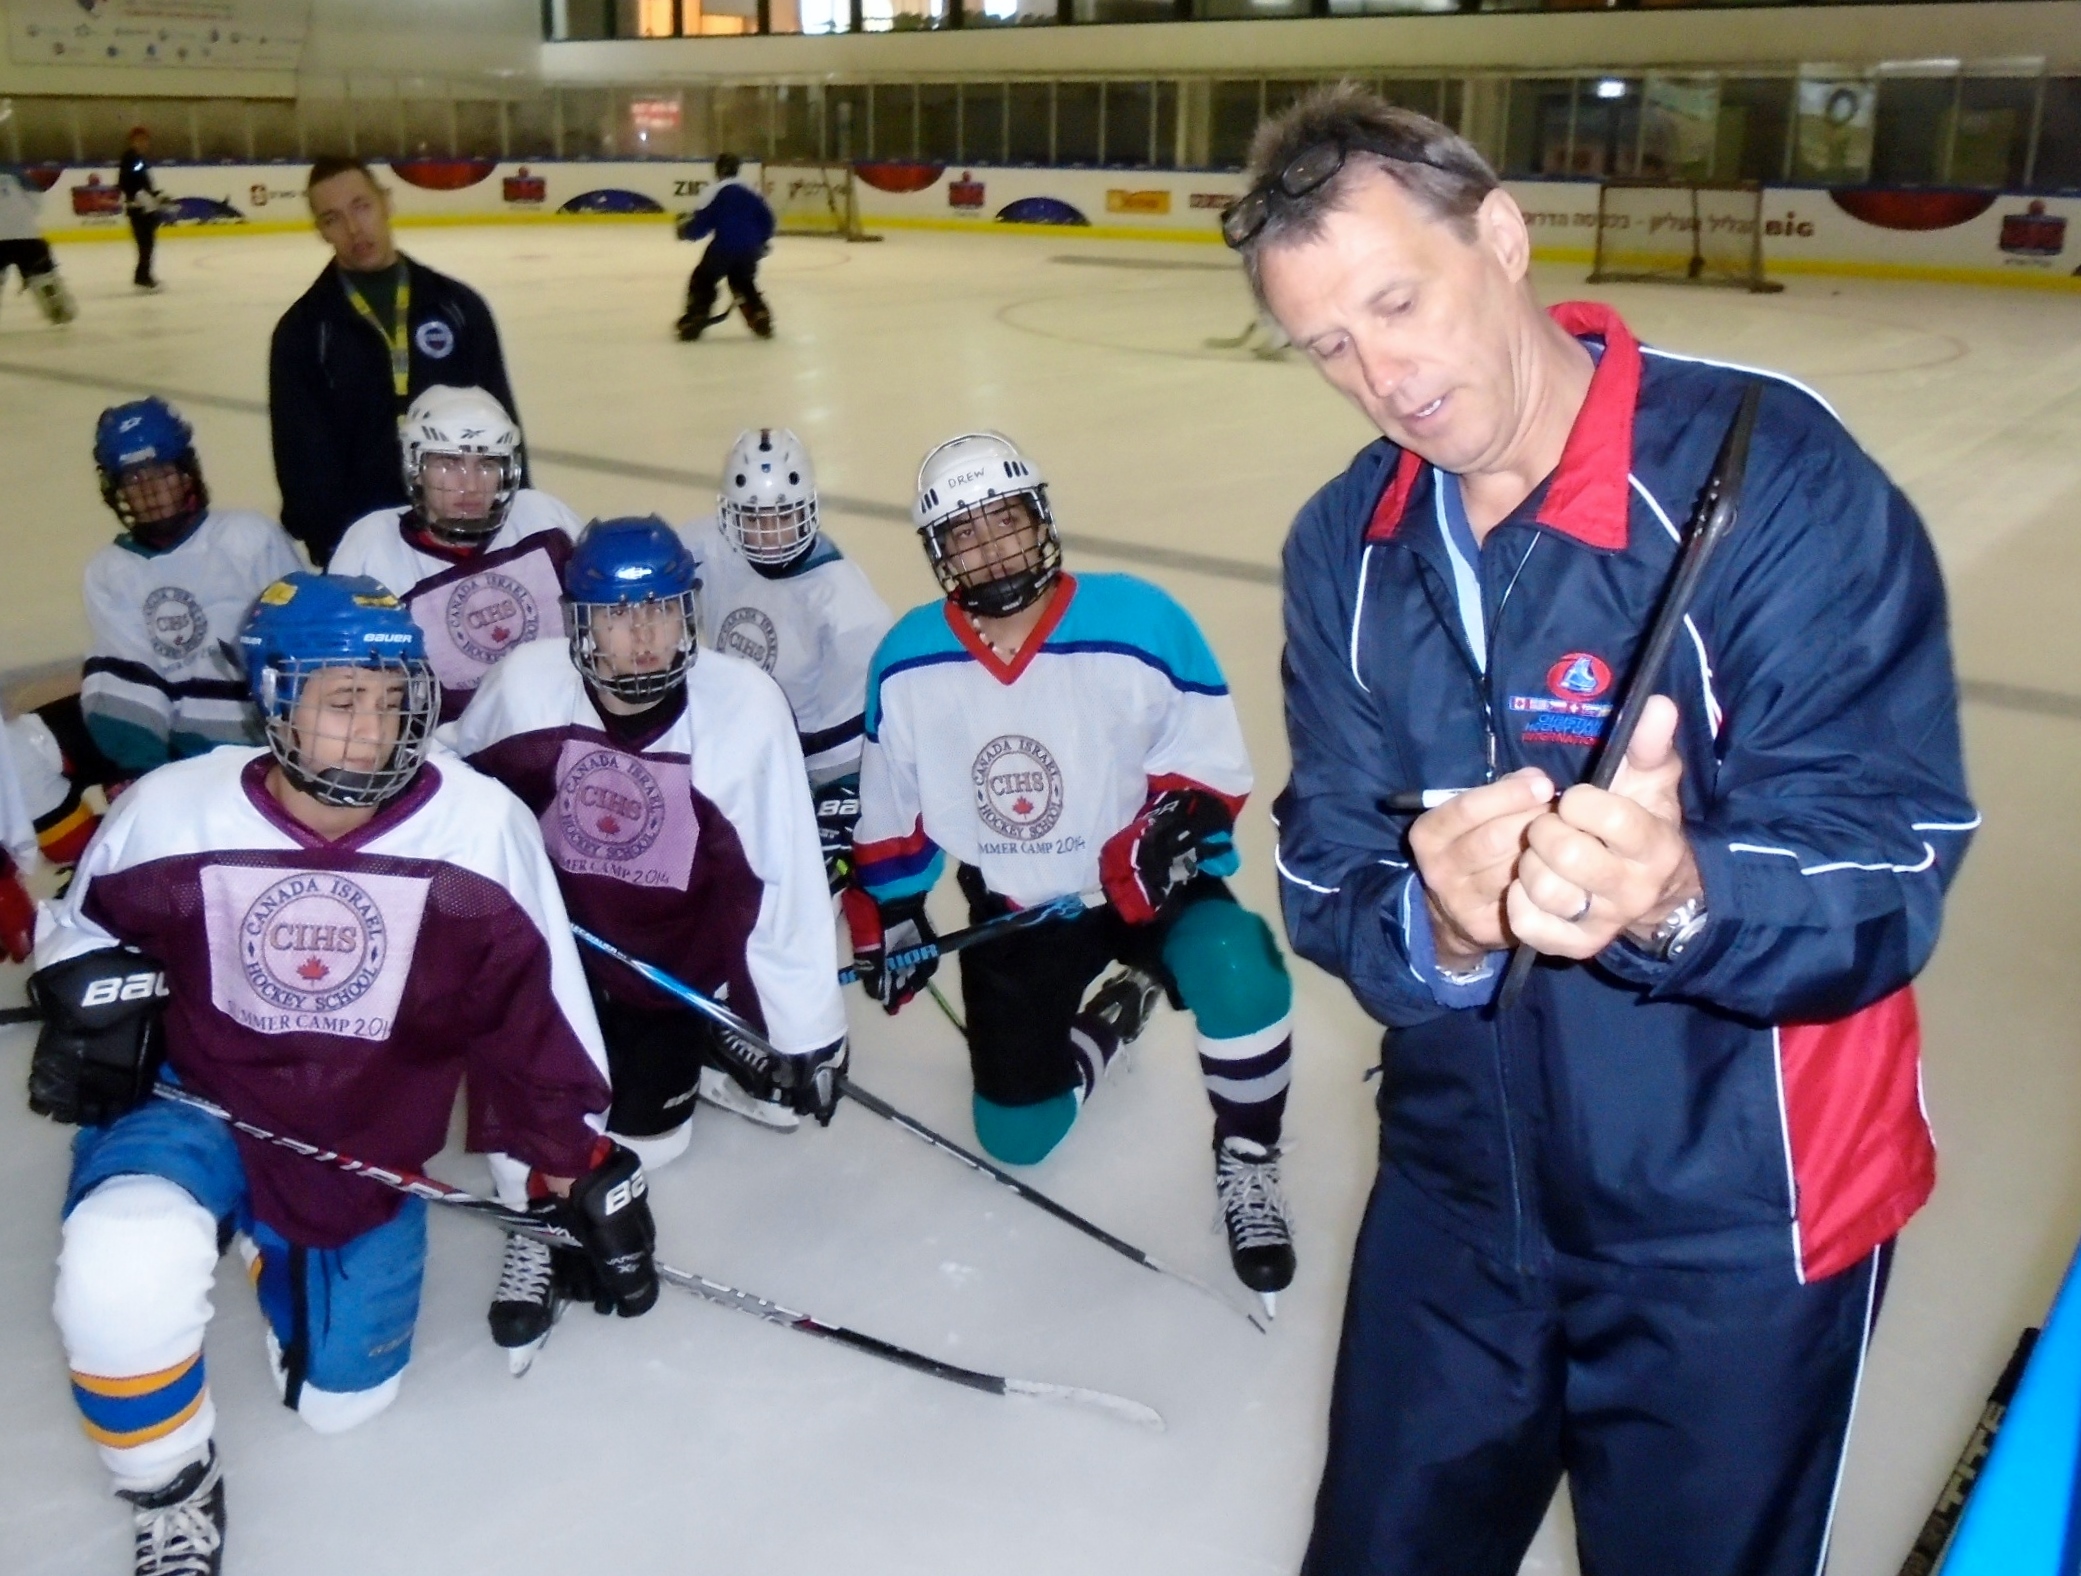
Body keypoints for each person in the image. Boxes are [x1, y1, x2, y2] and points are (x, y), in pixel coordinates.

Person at [1236, 86, 1976, 1575]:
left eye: (1398, 300)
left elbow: (1892, 858)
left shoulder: (1763, 478)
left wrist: (1680, 893)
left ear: (1499, 236)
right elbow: (1322, 863)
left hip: (1737, 1226)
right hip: (1459, 1197)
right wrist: (1433, 927)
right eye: (1329, 343)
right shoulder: (1348, 544)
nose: (1384, 375)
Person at [26, 572, 656, 1576]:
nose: (373, 732)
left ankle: (273, 1247)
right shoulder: (172, 812)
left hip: (360, 1139)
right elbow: (75, 929)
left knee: (341, 1409)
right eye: (342, 702)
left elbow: (533, 1020)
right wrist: (78, 994)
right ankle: (171, 1487)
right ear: (275, 701)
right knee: (122, 1257)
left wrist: (570, 1167)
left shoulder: (475, 829)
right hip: (196, 1107)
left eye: (392, 699)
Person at [850, 432, 1298, 1308]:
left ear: (1040, 519)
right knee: (1017, 1136)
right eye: (964, 535)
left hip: (1144, 891)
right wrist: (894, 911)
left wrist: (1171, 826)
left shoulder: (1141, 621)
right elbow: (891, 806)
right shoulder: (907, 659)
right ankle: (1116, 1015)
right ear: (938, 553)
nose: (991, 549)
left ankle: (1248, 1157)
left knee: (1241, 961)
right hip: (1017, 911)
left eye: (1005, 523)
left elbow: (1209, 763)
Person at [455, 517, 845, 1359]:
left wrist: (806, 1031)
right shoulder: (525, 686)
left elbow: (784, 874)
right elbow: (452, 795)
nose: (641, 637)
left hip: (672, 966)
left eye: (660, 611)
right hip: (560, 957)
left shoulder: (741, 706)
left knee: (652, 1148)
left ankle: (704, 1043)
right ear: (577, 623)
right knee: (526, 1062)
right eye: (615, 615)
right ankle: (534, 1217)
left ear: (688, 614)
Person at [269, 156, 522, 566]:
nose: (354, 229)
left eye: (362, 206)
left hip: (466, 534)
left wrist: (513, 518)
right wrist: (335, 549)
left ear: (387, 202)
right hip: (368, 548)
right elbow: (301, 459)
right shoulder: (302, 333)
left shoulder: (459, 308)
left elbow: (502, 423)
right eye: (333, 218)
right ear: (320, 229)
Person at [683, 427, 892, 890]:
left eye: (782, 516)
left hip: (808, 768)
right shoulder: (710, 547)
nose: (769, 535)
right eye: (754, 519)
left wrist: (838, 804)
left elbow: (850, 751)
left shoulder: (848, 609)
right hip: (733, 748)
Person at [78, 398, 303, 776]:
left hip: (276, 750)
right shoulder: (109, 573)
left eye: (160, 472)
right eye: (133, 480)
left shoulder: (247, 537)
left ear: (186, 473)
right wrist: (155, 777)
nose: (149, 491)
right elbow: (126, 688)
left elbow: (303, 643)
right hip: (188, 764)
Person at [330, 384, 580, 722]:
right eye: (449, 463)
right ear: (415, 466)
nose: (472, 485)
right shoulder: (371, 547)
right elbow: (344, 678)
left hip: (558, 728)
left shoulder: (545, 521)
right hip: (439, 752)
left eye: (488, 464)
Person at [674, 153, 776, 341]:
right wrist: (762, 241)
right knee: (742, 280)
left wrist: (686, 232)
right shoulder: (752, 191)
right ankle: (758, 312)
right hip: (751, 249)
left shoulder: (713, 191)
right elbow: (768, 220)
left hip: (724, 247)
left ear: (718, 170)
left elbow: (702, 224)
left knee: (703, 278)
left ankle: (697, 315)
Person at [0, 160, 77, 324]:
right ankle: (58, 309)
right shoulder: (15, 172)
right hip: (27, 237)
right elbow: (36, 203)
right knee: (44, 277)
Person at [117, 127, 164, 292]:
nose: (144, 143)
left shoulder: (138, 160)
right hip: (138, 207)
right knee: (145, 243)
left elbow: (139, 180)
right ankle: (142, 277)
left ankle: (143, 276)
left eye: (146, 140)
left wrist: (154, 195)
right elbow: (128, 181)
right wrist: (142, 196)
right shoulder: (131, 158)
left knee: (147, 243)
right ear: (133, 141)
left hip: (144, 205)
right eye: (140, 140)